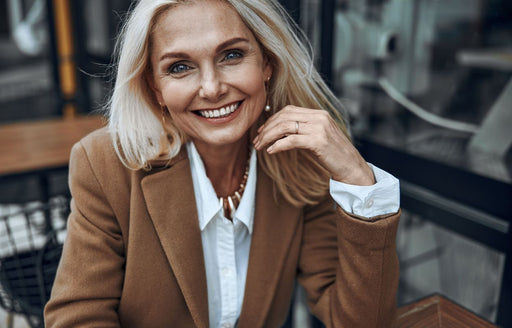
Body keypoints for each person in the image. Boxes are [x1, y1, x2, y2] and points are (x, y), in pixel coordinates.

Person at [44, 0, 401, 327]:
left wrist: (358, 181)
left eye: (231, 55)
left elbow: (359, 322)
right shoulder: (107, 164)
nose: (212, 88)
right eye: (180, 67)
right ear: (156, 88)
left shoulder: (300, 163)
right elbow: (78, 317)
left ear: (267, 64)